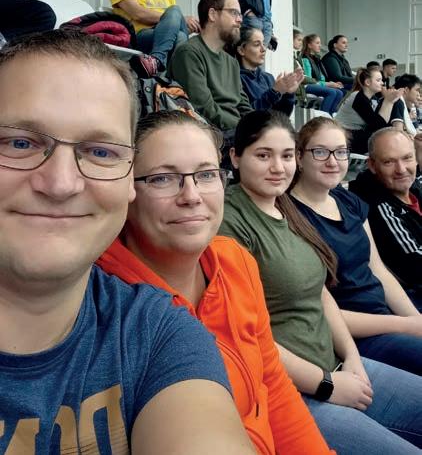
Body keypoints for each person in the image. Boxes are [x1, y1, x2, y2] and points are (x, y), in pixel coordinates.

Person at [0, 29, 256, 454]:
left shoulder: (158, 334)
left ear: (127, 181)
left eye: (100, 152)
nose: (61, 183)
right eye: (20, 143)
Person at [98, 111, 334, 455]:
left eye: (206, 174)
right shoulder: (100, 305)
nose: (191, 195)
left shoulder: (236, 261)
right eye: (163, 178)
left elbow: (272, 383)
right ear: (127, 191)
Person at [219, 110, 422, 453]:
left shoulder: (285, 209)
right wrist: (327, 384)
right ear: (236, 157)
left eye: (285, 155)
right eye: (263, 155)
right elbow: (246, 335)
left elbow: (322, 294)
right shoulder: (231, 220)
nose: (278, 167)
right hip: (298, 390)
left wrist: (352, 357)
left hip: (339, 362)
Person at [289, 116, 422, 376]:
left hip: (387, 317)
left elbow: (377, 269)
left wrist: (414, 320)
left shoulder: (347, 200)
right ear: (299, 157)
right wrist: (404, 325)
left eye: (340, 152)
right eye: (320, 152)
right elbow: (321, 310)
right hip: (354, 336)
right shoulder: (290, 215)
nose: (332, 161)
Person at [349, 128, 422, 310]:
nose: (401, 169)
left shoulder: (414, 189)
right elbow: (416, 266)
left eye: (407, 158)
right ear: (372, 165)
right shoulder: (375, 203)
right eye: (389, 162)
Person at [168, 0, 252, 132]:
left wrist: (259, 126)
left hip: (235, 132)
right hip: (209, 133)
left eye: (240, 14)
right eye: (234, 13)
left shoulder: (231, 62)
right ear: (212, 14)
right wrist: (244, 129)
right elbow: (204, 110)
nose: (240, 20)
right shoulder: (189, 53)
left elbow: (243, 106)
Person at [236, 26, 302, 115]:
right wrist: (274, 91)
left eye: (263, 44)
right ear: (241, 50)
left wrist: (288, 94)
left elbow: (282, 116)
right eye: (257, 44)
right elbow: (247, 116)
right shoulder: (236, 79)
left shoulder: (268, 77)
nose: (263, 49)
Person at [335, 67, 402, 154]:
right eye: (378, 80)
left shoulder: (370, 98)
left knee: (388, 133)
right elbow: (378, 125)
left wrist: (390, 101)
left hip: (356, 135)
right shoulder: (358, 97)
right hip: (345, 137)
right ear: (367, 82)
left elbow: (379, 123)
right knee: (384, 137)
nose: (382, 83)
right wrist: (388, 101)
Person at [295, 31, 342, 114]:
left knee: (339, 93)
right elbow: (308, 80)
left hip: (317, 84)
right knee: (331, 92)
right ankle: (323, 117)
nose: (320, 45)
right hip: (306, 85)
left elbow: (322, 78)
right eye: (317, 43)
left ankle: (330, 116)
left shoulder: (317, 59)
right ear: (309, 45)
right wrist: (328, 84)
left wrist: (331, 83)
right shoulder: (305, 58)